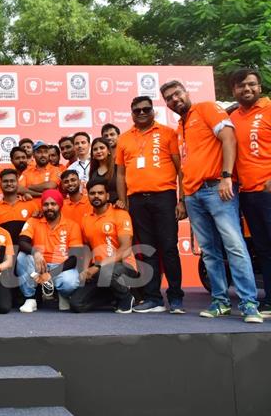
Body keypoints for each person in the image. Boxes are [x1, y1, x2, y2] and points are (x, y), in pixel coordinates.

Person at [163, 79, 262, 323]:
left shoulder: (206, 108)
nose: (175, 100)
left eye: (177, 94)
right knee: (209, 252)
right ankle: (220, 301)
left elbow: (229, 139)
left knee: (235, 246)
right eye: (169, 99)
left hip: (217, 188)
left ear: (186, 93)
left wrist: (227, 176)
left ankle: (249, 303)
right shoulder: (179, 127)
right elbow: (184, 166)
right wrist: (183, 199)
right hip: (193, 194)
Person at [116, 96, 185, 314]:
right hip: (136, 200)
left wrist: (182, 199)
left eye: (146, 109)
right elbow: (120, 173)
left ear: (153, 110)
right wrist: (124, 200)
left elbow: (180, 168)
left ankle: (175, 297)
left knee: (169, 248)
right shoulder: (124, 138)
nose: (142, 113)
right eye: (137, 110)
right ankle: (153, 298)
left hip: (164, 197)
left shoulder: (167, 133)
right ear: (132, 113)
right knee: (147, 251)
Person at [228, 68, 271, 316]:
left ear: (259, 87)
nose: (247, 89)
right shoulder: (233, 117)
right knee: (262, 248)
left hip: (267, 190)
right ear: (234, 90)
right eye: (241, 86)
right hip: (246, 193)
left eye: (251, 85)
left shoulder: (268, 109)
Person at [69, 180, 136, 314]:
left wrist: (98, 266)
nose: (96, 196)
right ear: (88, 196)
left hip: (123, 267)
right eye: (92, 193)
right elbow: (87, 247)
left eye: (100, 193)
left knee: (105, 271)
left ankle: (127, 298)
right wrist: (85, 270)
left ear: (107, 196)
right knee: (76, 304)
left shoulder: (120, 214)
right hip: (97, 272)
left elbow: (126, 248)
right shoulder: (86, 219)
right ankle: (112, 297)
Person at [16, 189, 83, 313]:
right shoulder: (33, 221)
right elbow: (22, 242)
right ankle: (31, 299)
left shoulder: (72, 225)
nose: (49, 207)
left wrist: (50, 275)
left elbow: (74, 259)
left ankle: (62, 294)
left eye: (53, 204)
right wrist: (35, 252)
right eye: (46, 204)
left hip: (61, 267)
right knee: (21, 257)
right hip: (39, 266)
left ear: (60, 205)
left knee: (71, 283)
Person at [0, 169, 40, 245]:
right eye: (5, 181)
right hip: (6, 252)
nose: (9, 184)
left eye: (12, 181)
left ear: (18, 183)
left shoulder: (31, 204)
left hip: (27, 252)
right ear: (0, 184)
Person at [89, 138, 118, 203]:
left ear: (108, 151)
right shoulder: (93, 172)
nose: (98, 151)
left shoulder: (118, 168)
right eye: (95, 149)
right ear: (92, 154)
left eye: (102, 148)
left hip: (118, 208)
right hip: (100, 210)